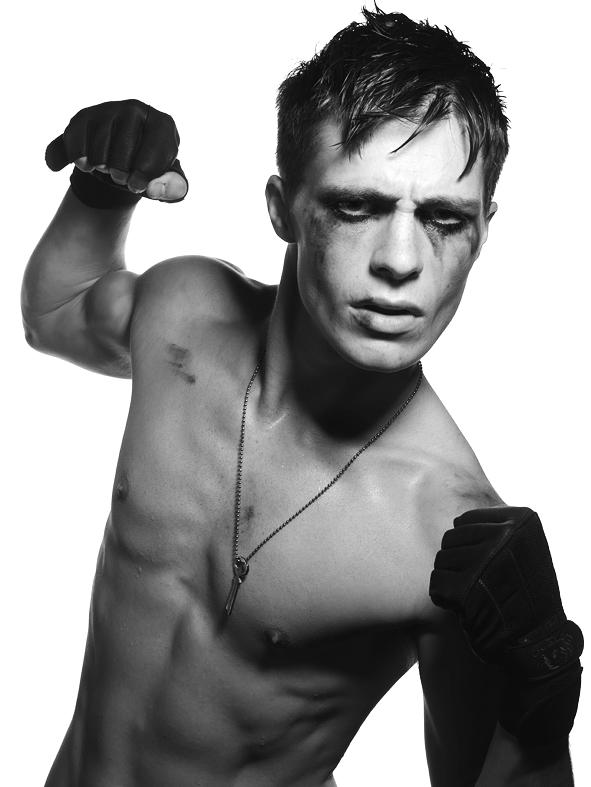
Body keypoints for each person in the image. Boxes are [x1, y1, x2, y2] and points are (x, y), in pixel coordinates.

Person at [22, 7, 583, 786]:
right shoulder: (184, 313)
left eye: (443, 219)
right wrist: (98, 190)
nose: (400, 261)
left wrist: (538, 704)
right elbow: (55, 313)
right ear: (282, 208)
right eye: (357, 206)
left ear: (483, 228)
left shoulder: (444, 531)